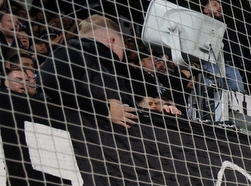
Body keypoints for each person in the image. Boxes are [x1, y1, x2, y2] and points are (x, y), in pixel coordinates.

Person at [39, 14, 178, 127]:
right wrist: (103, 108)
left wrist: (162, 112)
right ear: (112, 41)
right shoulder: (75, 53)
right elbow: (50, 78)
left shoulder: (117, 71)